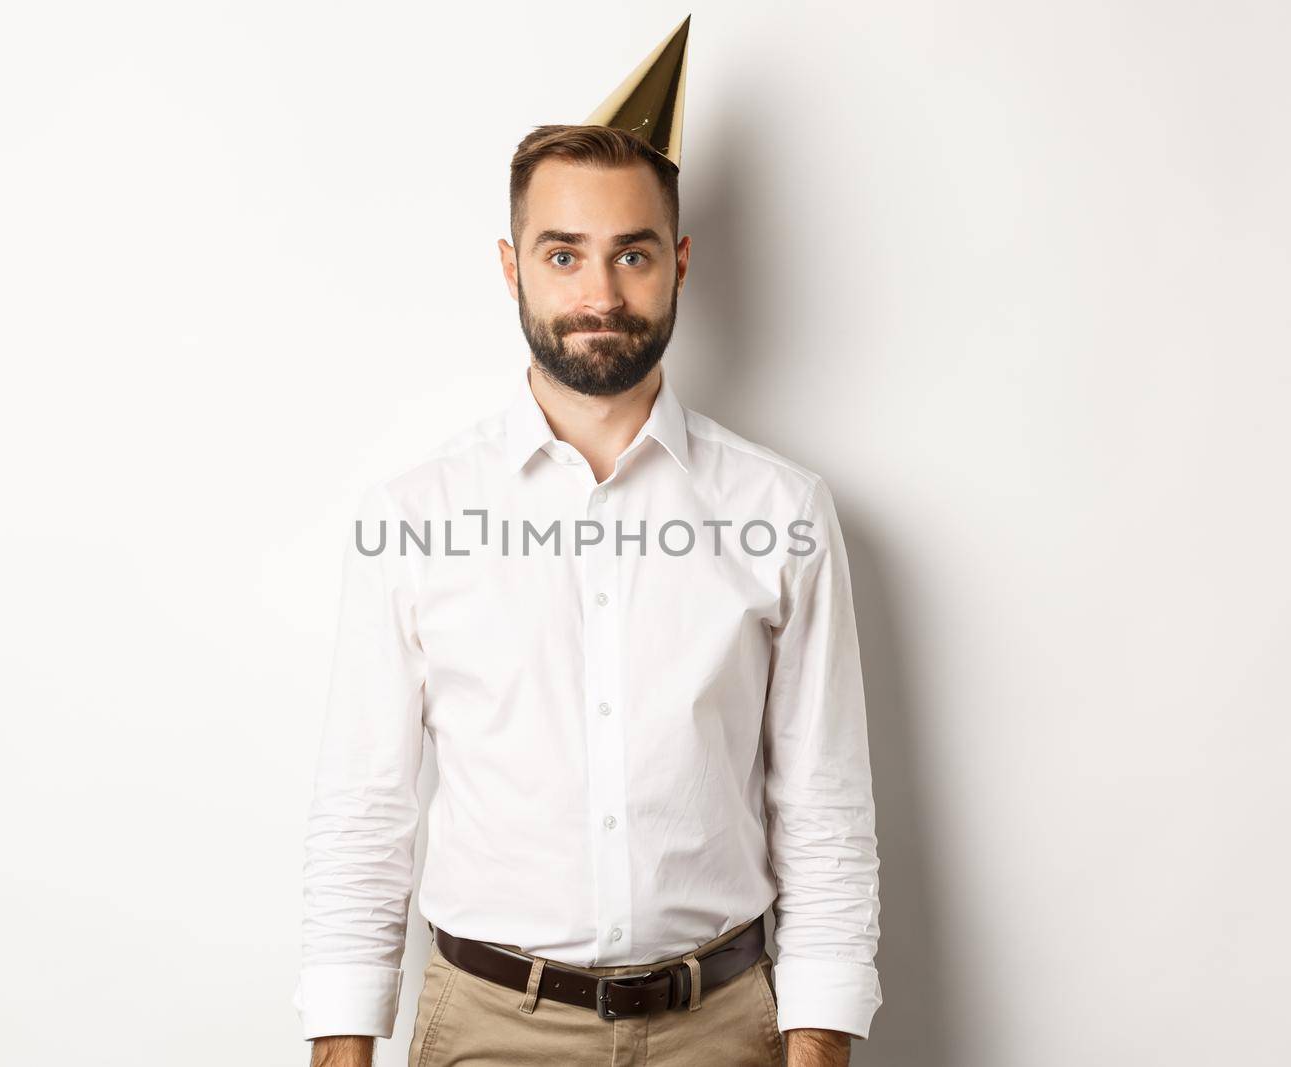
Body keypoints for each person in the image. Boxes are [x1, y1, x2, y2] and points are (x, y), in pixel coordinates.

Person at [294, 17, 881, 1066]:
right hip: (485, 1028)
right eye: (564, 255)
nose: (598, 295)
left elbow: (826, 813)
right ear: (513, 266)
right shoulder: (414, 515)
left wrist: (818, 1046)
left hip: (722, 1028)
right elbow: (364, 810)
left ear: (681, 263)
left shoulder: (784, 509)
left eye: (632, 254)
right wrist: (342, 1046)